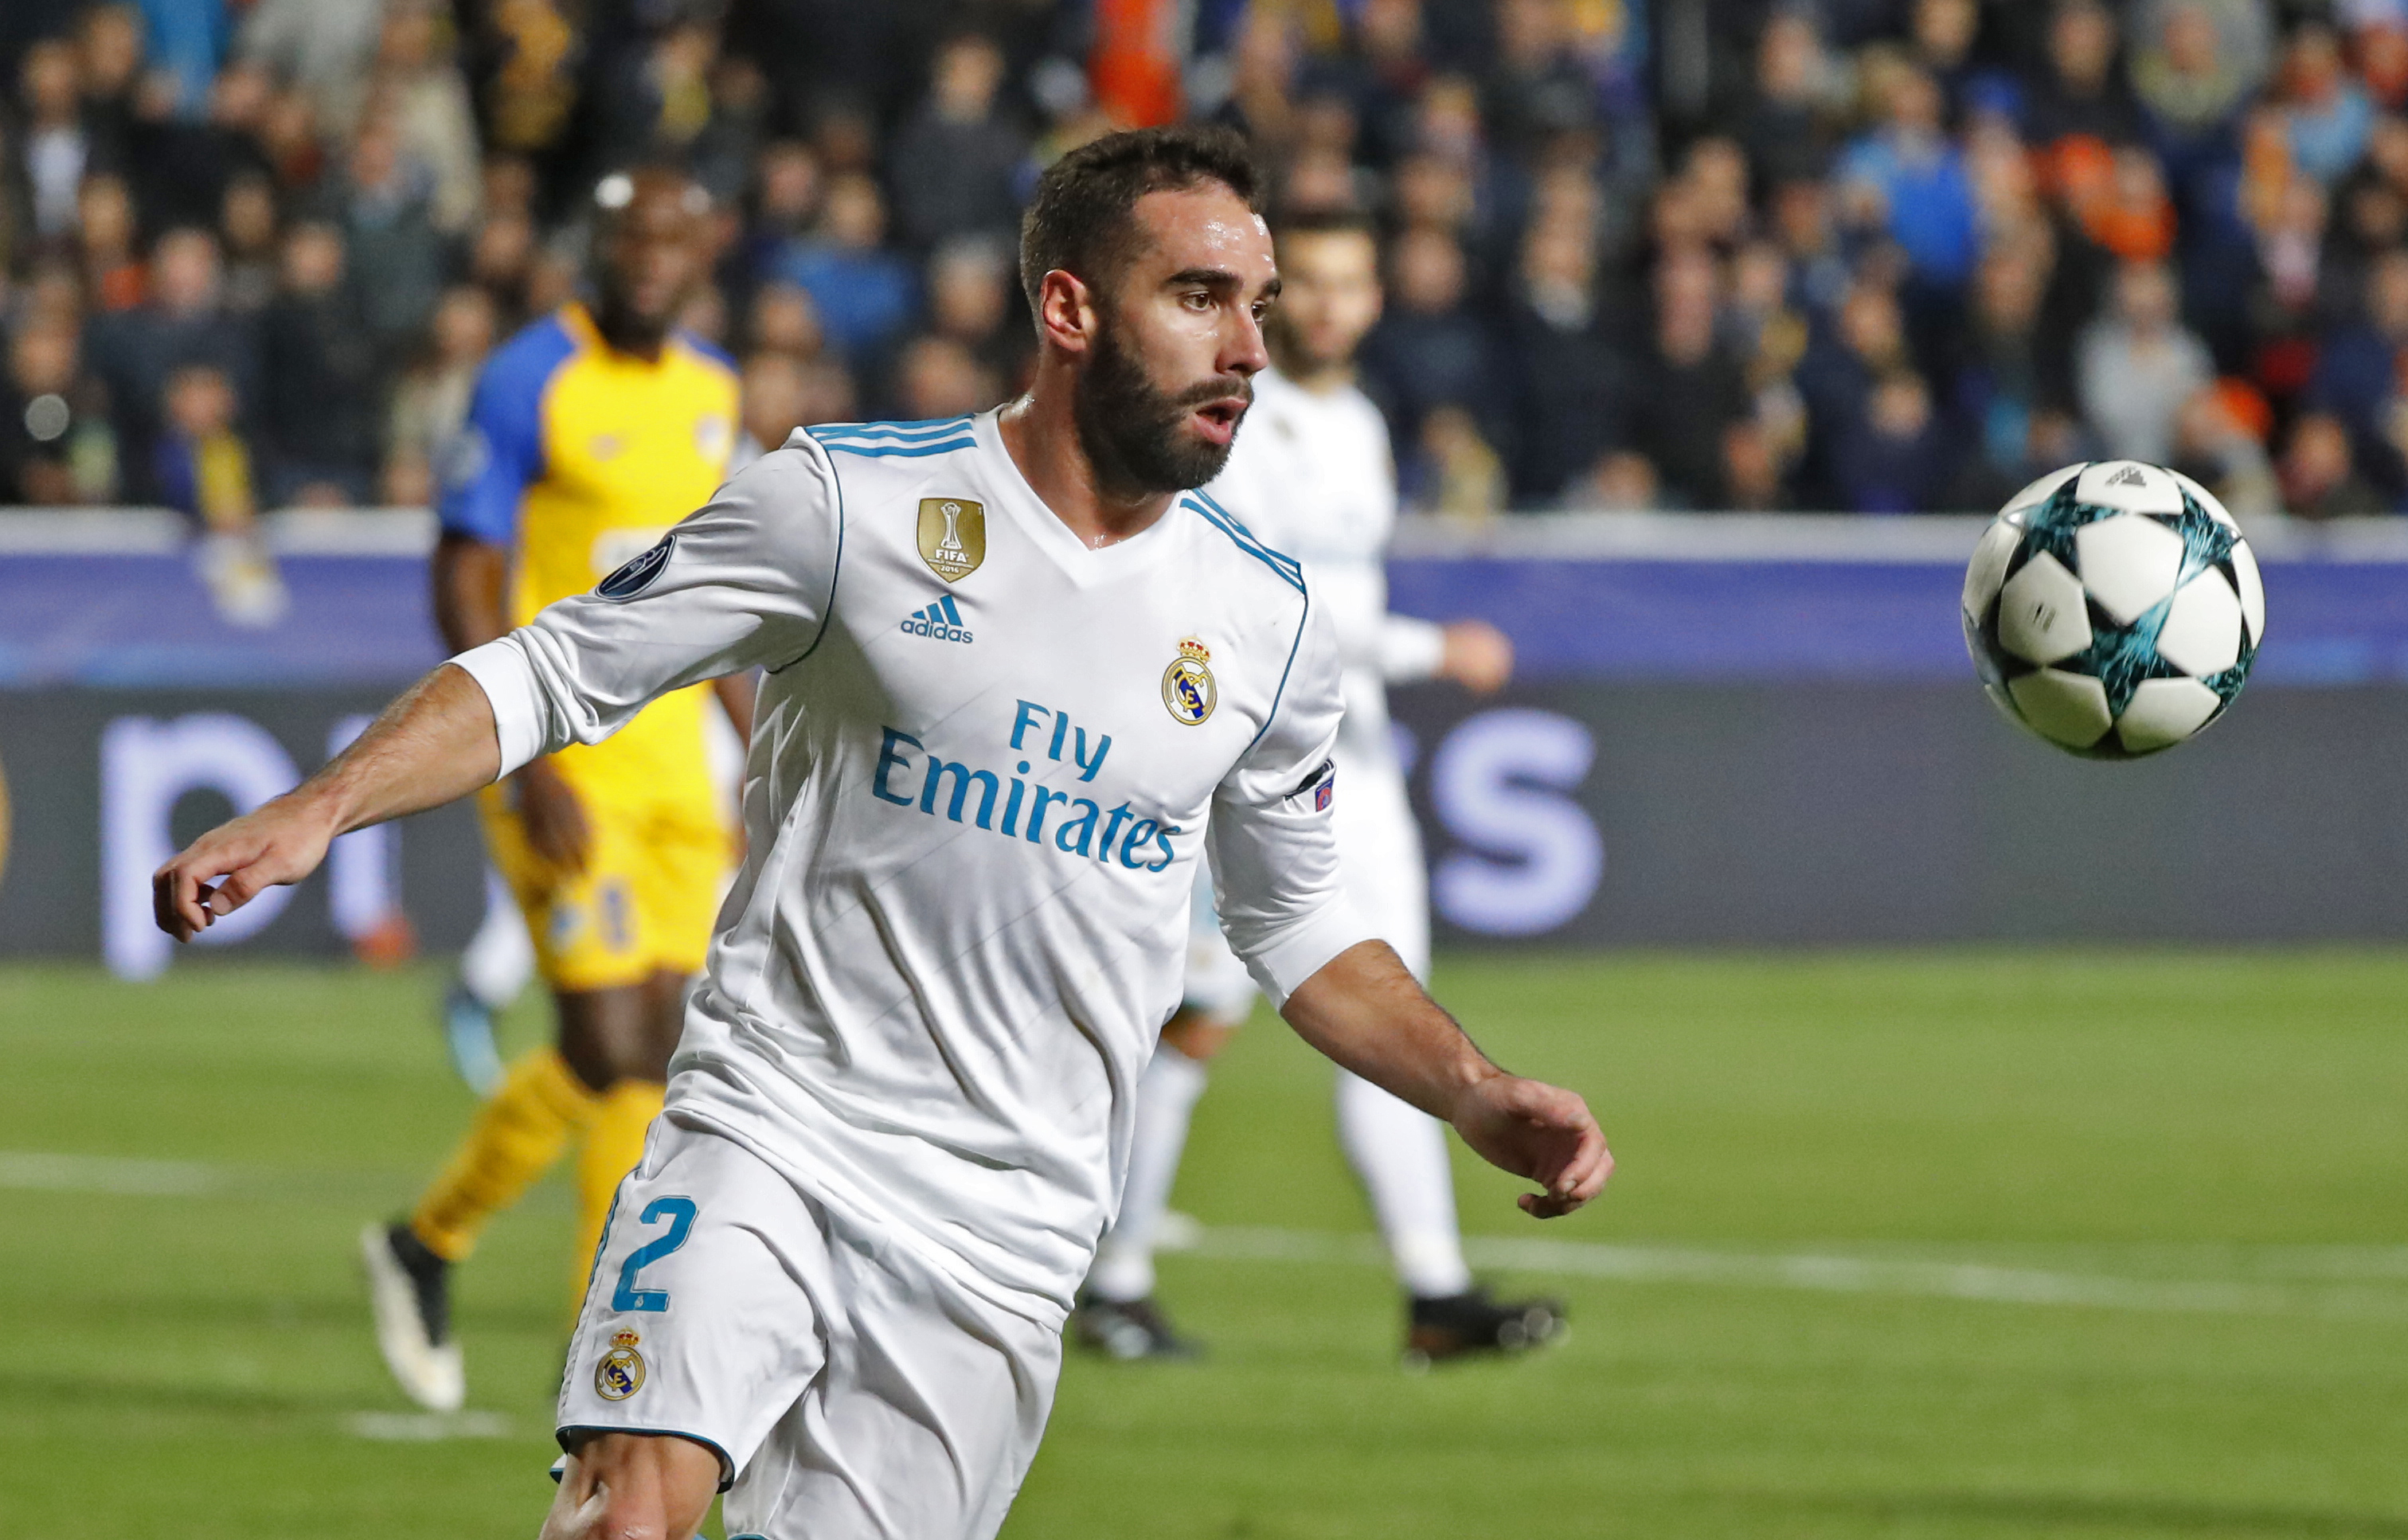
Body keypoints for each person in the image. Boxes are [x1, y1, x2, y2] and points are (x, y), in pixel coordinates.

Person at [154, 126, 1611, 1540]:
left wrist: (1471, 1091)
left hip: (1008, 1228)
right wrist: (319, 807)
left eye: (1260, 308)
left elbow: (1298, 925)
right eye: (1198, 299)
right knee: (627, 1510)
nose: (1248, 349)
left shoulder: (1270, 624)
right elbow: (557, 667)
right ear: (1068, 308)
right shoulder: (848, 505)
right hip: (770, 1126)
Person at [1074, 210, 1561, 1366]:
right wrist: (1429, 649)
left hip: (1366, 761)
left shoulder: (1363, 424)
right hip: (1239, 756)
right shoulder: (1232, 416)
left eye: (1355, 282)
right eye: (1315, 284)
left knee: (1401, 1013)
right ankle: (1114, 1277)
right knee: (1197, 1018)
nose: (1334, 305)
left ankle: (1435, 1293)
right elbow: (1257, 603)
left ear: (1379, 297)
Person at [356, 166, 752, 1414]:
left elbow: (728, 591)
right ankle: (599, 1348)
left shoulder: (712, 391)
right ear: (597, 247)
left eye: (670, 241)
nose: (648, 259)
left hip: (683, 772)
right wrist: (520, 759)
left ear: (702, 254)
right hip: (565, 761)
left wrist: (767, 743)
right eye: (628, 238)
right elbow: (464, 571)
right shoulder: (532, 376)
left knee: (663, 1056)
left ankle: (429, 1246)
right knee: (607, 1037)